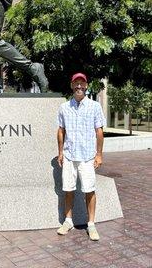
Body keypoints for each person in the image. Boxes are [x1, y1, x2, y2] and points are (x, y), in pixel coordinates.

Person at [56, 72, 105, 241]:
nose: (79, 86)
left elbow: (99, 131)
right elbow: (61, 131)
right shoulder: (64, 107)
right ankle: (68, 221)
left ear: (86, 86)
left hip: (87, 157)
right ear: (71, 85)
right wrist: (61, 152)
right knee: (68, 190)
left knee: (89, 190)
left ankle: (91, 224)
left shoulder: (94, 106)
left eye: (81, 83)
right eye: (76, 83)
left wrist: (99, 154)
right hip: (69, 156)